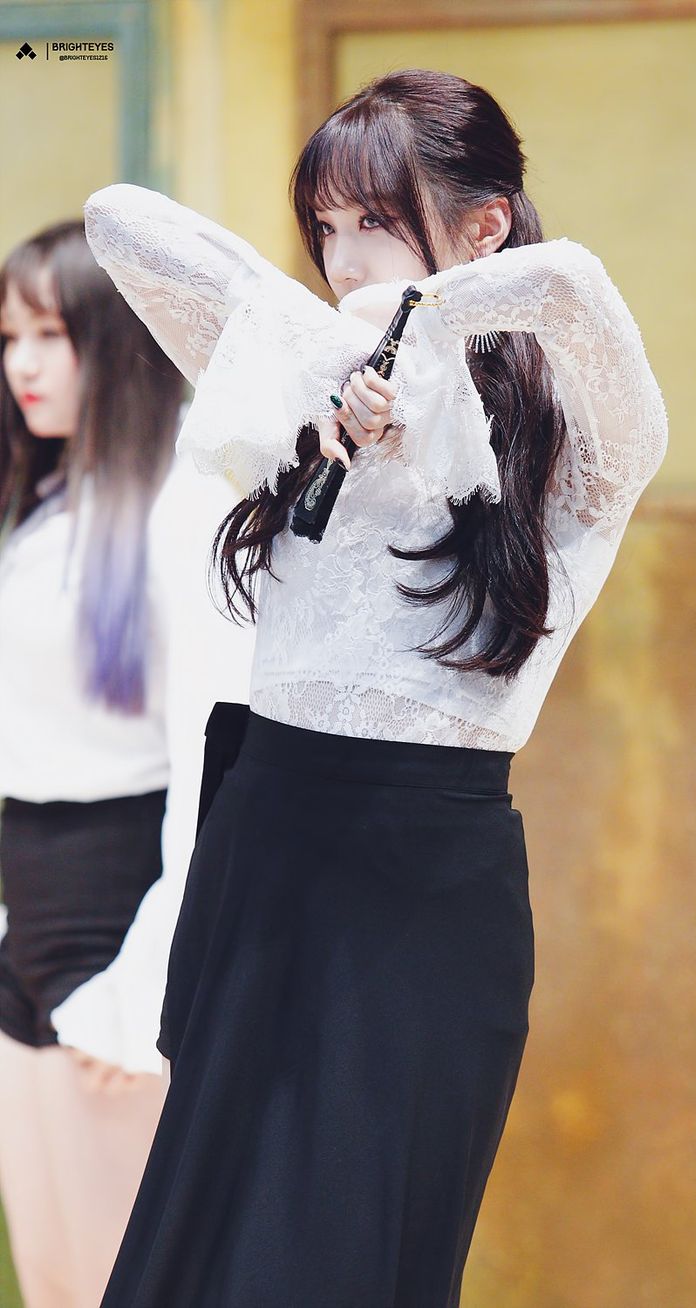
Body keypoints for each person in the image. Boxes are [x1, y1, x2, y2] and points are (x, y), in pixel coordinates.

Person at [85, 69, 668, 1308]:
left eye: (377, 222)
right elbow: (117, 217)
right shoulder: (309, 399)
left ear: (483, 224)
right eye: (328, 229)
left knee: (335, 1268)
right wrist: (328, 364)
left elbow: (577, 294)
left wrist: (426, 314)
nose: (346, 263)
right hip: (264, 868)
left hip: (415, 904)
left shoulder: (568, 462)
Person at [0, 218, 253, 1308]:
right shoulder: (47, 505)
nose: (20, 363)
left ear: (121, 340)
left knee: (128, 1282)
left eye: (50, 334)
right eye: (9, 334)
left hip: (117, 924)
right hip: (27, 919)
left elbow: (220, 772)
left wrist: (144, 986)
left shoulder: (182, 511)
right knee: (53, 1278)